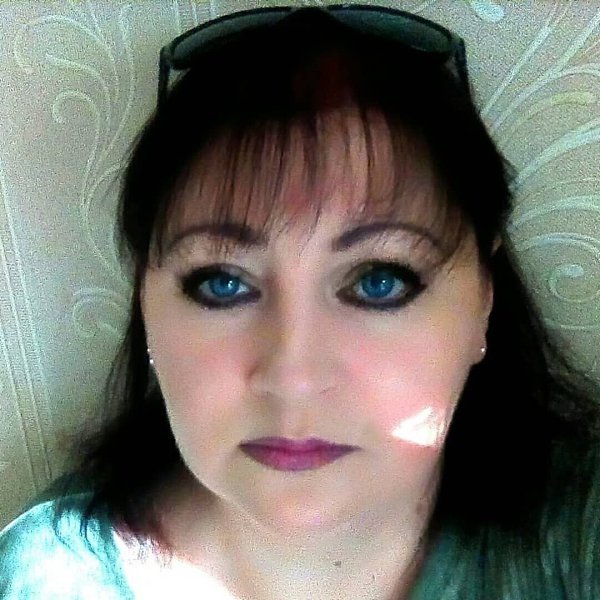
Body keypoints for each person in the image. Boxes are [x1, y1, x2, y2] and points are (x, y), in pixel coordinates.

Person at [2, 4, 600, 599]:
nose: (294, 378)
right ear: (146, 305)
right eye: (222, 282)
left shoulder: (579, 533)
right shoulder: (46, 577)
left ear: (484, 301)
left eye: (380, 281)